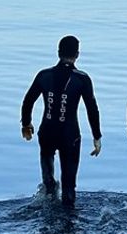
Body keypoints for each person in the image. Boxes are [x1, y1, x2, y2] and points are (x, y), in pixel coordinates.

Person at [21, 35, 102, 206]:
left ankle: (48, 205)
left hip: (47, 133)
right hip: (69, 135)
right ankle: (68, 221)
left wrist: (26, 124)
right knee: (69, 186)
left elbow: (28, 101)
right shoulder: (82, 79)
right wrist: (97, 136)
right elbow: (92, 109)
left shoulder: (44, 75)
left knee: (48, 183)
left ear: (58, 53)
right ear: (77, 54)